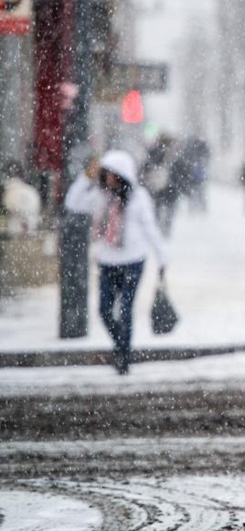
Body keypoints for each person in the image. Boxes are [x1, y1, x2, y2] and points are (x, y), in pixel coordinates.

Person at [92, 150, 168, 374]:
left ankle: (123, 357)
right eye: (106, 174)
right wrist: (86, 177)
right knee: (104, 311)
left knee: (126, 310)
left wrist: (162, 255)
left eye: (113, 174)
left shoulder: (138, 198)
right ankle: (121, 344)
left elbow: (150, 228)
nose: (108, 178)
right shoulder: (100, 196)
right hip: (107, 262)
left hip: (132, 261)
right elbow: (73, 202)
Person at [60, 153, 101, 338]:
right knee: (73, 285)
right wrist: (86, 177)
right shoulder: (88, 187)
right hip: (75, 243)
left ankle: (76, 327)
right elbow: (72, 202)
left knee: (78, 285)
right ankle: (72, 327)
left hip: (84, 242)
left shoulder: (101, 191)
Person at [139, 134, 180, 238]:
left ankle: (157, 228)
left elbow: (145, 166)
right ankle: (166, 229)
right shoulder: (174, 153)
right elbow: (181, 170)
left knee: (157, 207)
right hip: (171, 186)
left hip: (157, 186)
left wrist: (144, 180)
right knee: (170, 209)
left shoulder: (154, 151)